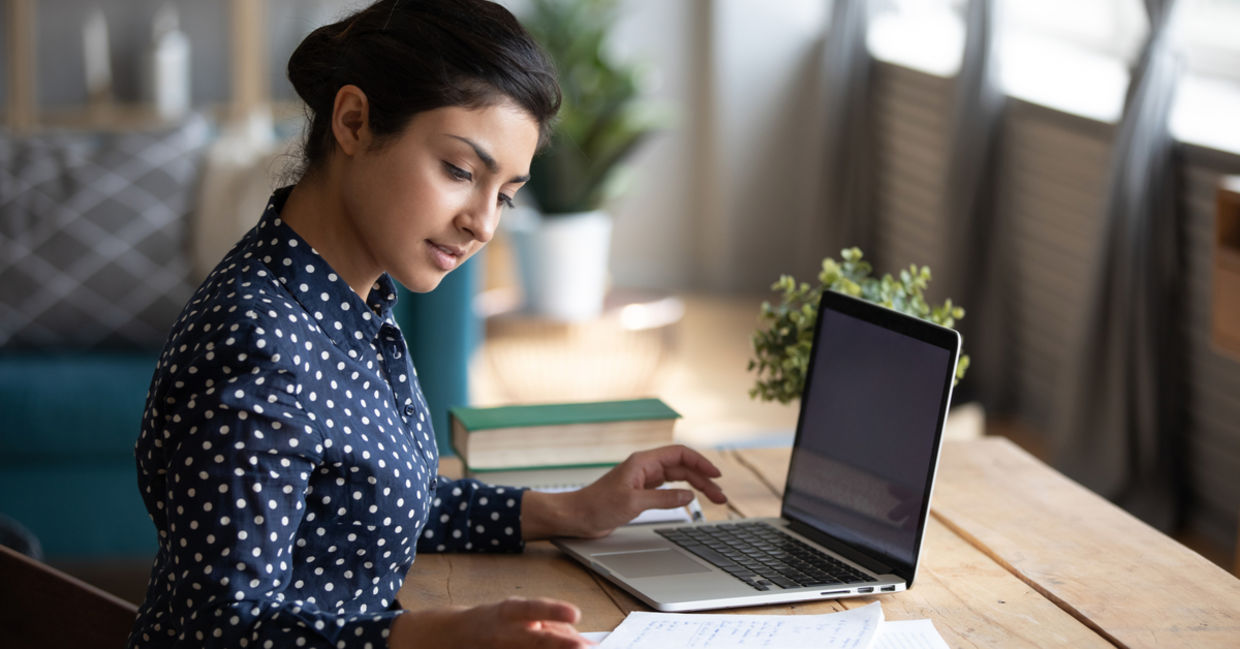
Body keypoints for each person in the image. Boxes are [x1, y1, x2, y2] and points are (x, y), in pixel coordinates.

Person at [126, 1, 727, 647]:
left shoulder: (350, 303)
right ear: (354, 122)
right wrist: (435, 634)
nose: (484, 223)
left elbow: (368, 505)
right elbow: (219, 631)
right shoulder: (258, 341)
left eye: (504, 194)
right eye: (461, 171)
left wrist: (570, 508)